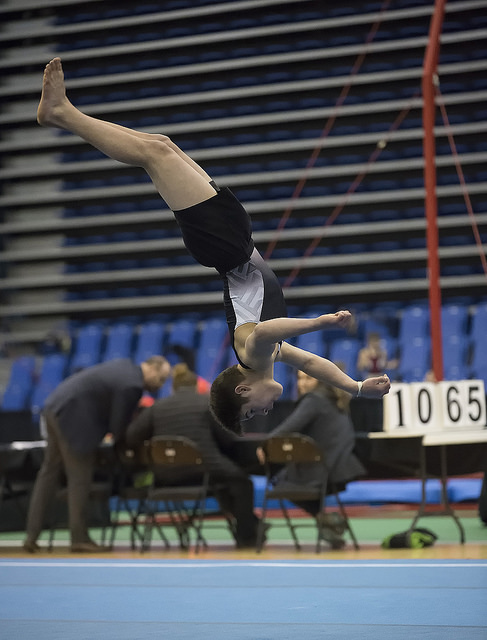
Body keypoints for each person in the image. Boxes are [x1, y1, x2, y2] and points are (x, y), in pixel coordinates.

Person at [36, 57, 391, 436]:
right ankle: (63, 113)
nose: (264, 412)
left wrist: (321, 322)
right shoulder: (269, 357)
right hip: (233, 242)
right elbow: (312, 364)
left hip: (225, 246)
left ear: (243, 390)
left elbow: (265, 331)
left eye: (250, 413)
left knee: (154, 156)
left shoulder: (253, 354)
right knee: (161, 146)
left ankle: (61, 114)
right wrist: (354, 387)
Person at [23, 355, 170, 553]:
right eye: (161, 378)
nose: (160, 385)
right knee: (79, 478)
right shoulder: (132, 385)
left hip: (54, 406)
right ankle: (79, 538)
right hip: (73, 417)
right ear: (152, 368)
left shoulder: (124, 366)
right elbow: (119, 427)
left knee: (49, 473)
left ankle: (31, 535)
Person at [124, 362, 262, 548]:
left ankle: (253, 526)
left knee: (226, 484)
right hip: (204, 471)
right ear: (197, 385)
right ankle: (248, 538)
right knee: (241, 482)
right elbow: (229, 439)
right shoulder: (207, 404)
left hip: (166, 476)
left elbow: (131, 437)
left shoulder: (157, 408)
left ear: (173, 387)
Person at [257, 370, 366, 548]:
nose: (302, 383)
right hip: (338, 469)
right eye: (299, 378)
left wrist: (265, 445)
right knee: (285, 479)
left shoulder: (315, 399)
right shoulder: (334, 398)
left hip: (319, 473)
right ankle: (326, 520)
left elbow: (288, 428)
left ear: (320, 380)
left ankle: (324, 519)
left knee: (278, 482)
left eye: (308, 378)